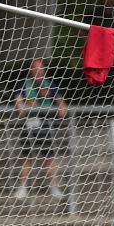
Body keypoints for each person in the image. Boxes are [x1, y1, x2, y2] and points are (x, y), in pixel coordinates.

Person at [14, 58, 68, 200]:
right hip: (29, 123)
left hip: (45, 124)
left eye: (41, 68)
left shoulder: (50, 84)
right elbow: (18, 100)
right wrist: (20, 106)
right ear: (31, 70)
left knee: (49, 157)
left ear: (44, 70)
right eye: (35, 68)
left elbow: (60, 101)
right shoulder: (25, 84)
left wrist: (62, 107)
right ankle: (23, 187)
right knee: (27, 157)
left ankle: (54, 187)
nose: (38, 71)